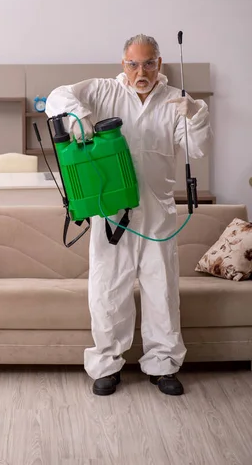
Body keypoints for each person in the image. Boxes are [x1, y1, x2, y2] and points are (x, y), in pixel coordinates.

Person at [45, 34, 212, 397]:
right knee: (108, 290)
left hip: (158, 213)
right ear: (123, 64)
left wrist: (196, 115)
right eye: (133, 63)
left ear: (159, 64)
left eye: (149, 63)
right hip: (111, 212)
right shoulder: (103, 91)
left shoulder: (175, 100)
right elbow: (56, 96)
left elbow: (197, 149)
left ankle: (163, 365)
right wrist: (80, 118)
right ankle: (106, 364)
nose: (141, 71)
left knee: (162, 291)